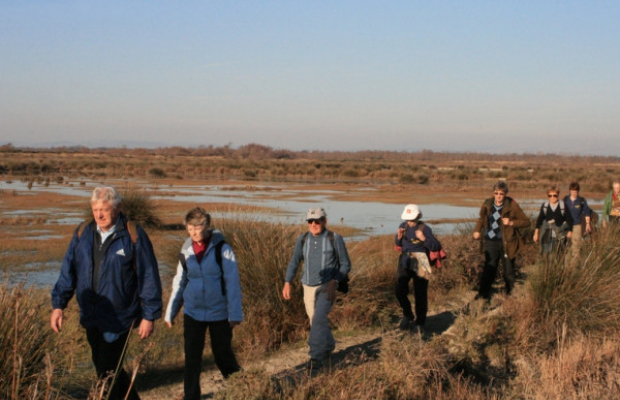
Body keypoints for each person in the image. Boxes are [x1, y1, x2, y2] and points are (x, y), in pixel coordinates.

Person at [51, 186, 162, 400]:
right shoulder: (83, 233)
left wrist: (149, 315)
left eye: (104, 209)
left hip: (120, 318)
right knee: (108, 369)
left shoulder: (133, 235)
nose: (99, 214)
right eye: (95, 209)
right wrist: (58, 305)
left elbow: (148, 276)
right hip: (91, 315)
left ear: (118, 207)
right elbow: (68, 270)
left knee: (107, 372)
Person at [165, 207, 242, 400]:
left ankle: (242, 387)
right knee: (192, 357)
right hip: (193, 312)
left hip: (220, 313)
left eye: (196, 230)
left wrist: (235, 315)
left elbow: (232, 283)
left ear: (206, 226)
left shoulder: (222, 250)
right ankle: (191, 396)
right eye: (189, 230)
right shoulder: (186, 250)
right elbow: (180, 281)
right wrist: (170, 313)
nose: (193, 234)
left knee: (222, 354)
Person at [282, 207, 351, 370]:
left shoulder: (335, 238)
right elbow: (294, 261)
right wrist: (287, 282)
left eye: (317, 220)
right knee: (315, 321)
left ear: (324, 221)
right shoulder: (303, 239)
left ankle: (316, 357)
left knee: (319, 317)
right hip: (307, 285)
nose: (314, 224)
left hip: (327, 286)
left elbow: (346, 264)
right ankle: (328, 345)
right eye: (310, 221)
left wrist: (335, 281)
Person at [473, 181, 530, 300]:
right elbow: (481, 219)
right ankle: (483, 295)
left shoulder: (511, 205)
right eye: (496, 193)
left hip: (507, 242)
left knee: (508, 271)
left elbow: (526, 221)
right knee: (489, 269)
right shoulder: (487, 203)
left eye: (501, 194)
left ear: (505, 194)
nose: (498, 196)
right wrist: (477, 230)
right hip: (490, 241)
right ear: (493, 193)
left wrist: (511, 223)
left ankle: (510, 295)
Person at [394, 204, 440, 331]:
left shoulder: (425, 228)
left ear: (418, 216)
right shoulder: (402, 226)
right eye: (408, 219)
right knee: (400, 290)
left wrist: (423, 238)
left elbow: (435, 246)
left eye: (412, 219)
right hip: (405, 260)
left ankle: (420, 323)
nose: (409, 222)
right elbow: (398, 244)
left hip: (421, 261)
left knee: (420, 294)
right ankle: (408, 315)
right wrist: (398, 238)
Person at [533, 185, 573, 262]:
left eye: (555, 195)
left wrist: (570, 231)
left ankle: (559, 271)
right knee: (546, 253)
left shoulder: (563, 205)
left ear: (558, 195)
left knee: (560, 254)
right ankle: (547, 272)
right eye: (550, 195)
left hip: (560, 233)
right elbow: (540, 219)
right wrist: (536, 233)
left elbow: (569, 219)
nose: (552, 197)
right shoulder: (545, 206)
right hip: (547, 233)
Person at [563, 181, 592, 258]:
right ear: (569, 191)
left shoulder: (581, 201)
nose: (574, 193)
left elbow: (587, 213)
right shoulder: (565, 200)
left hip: (577, 226)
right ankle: (566, 267)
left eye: (575, 192)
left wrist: (588, 224)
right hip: (566, 226)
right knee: (566, 247)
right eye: (572, 191)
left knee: (576, 248)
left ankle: (574, 268)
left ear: (578, 191)